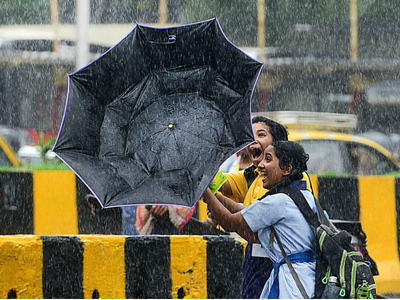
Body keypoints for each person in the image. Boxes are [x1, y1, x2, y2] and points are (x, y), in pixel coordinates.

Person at [203, 141, 317, 298]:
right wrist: (215, 197)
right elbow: (249, 220)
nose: (260, 166)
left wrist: (206, 194)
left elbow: (230, 222)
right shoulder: (304, 196)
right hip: (308, 276)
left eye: (268, 159)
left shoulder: (278, 202)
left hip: (291, 283)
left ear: (286, 169)